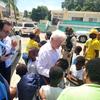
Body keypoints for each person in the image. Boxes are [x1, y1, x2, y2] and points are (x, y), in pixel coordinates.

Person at [0, 20, 13, 84]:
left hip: (7, 66)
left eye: (9, 32)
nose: (8, 34)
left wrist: (13, 48)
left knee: (7, 84)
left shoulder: (8, 39)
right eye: (6, 32)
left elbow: (11, 52)